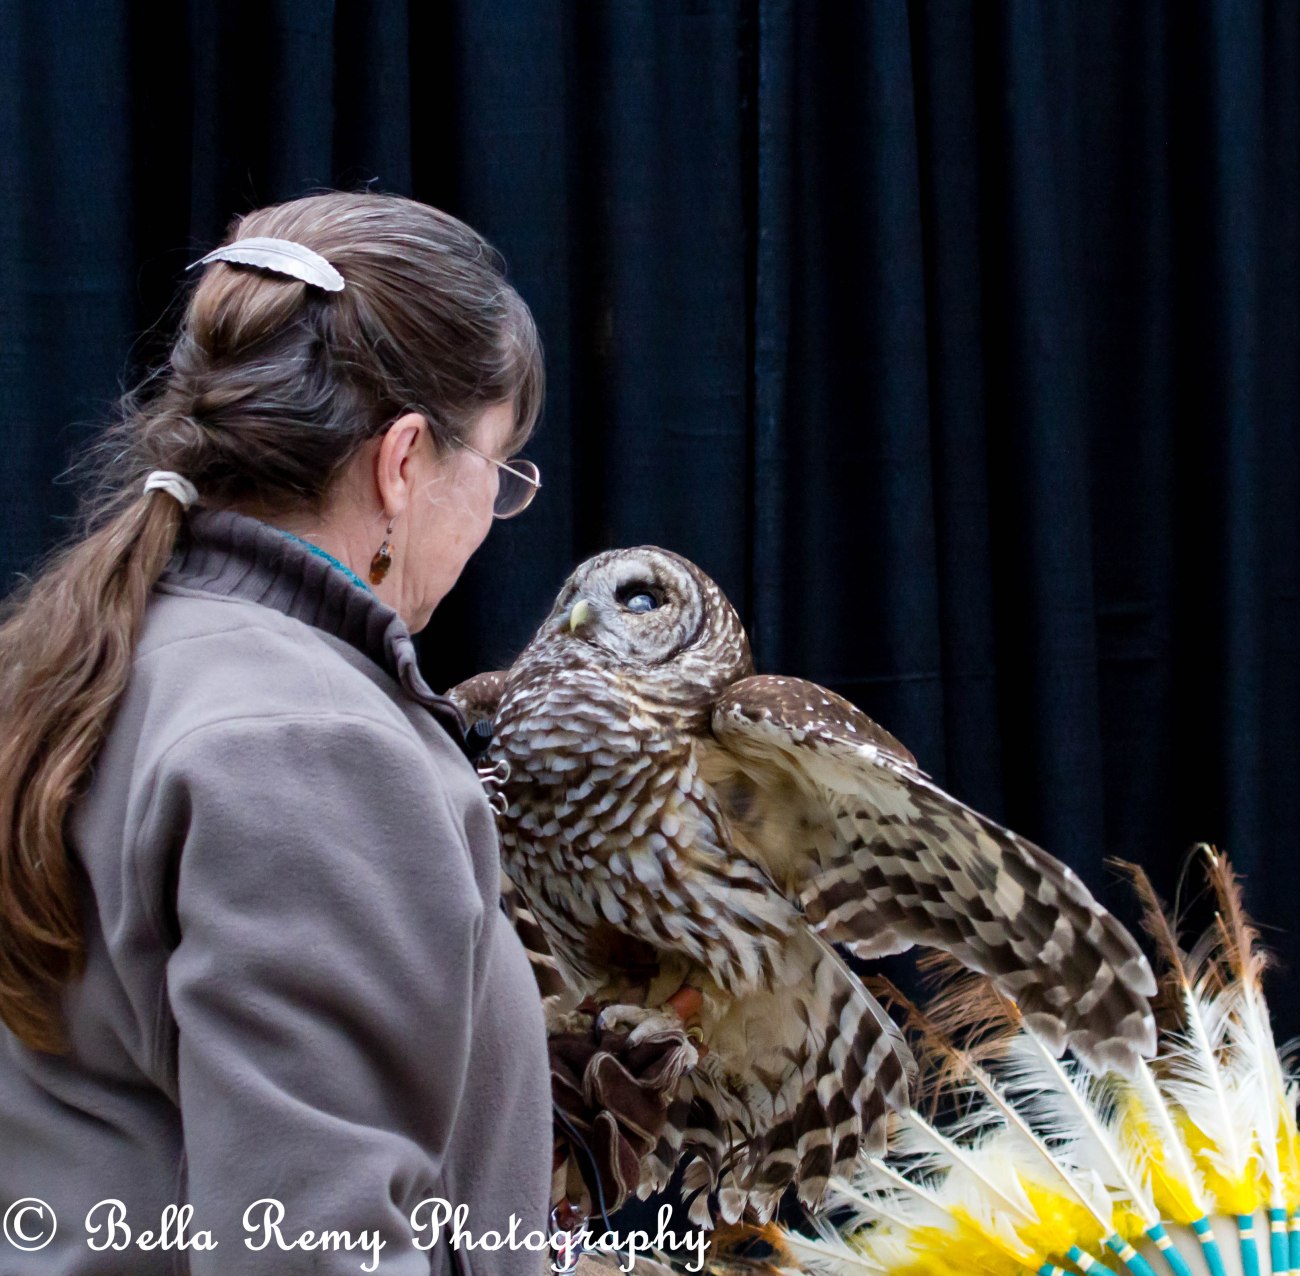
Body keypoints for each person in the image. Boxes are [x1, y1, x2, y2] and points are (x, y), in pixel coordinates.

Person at [0, 191, 555, 1274]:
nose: (493, 511)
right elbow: (310, 1249)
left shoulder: (90, 660)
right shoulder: (307, 743)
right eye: (498, 466)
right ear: (403, 462)